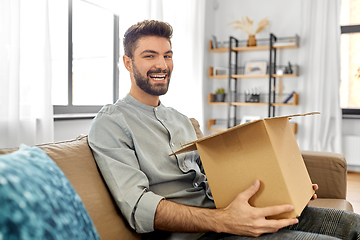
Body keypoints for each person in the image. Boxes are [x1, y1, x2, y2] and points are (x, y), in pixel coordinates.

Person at [88, 20, 360, 240]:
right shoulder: (111, 123)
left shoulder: (180, 119)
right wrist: (226, 221)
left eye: (167, 55)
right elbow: (137, 206)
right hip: (204, 233)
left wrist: (284, 185)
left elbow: (217, 174)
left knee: (354, 225)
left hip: (238, 213)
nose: (162, 65)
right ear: (127, 62)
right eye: (150, 56)